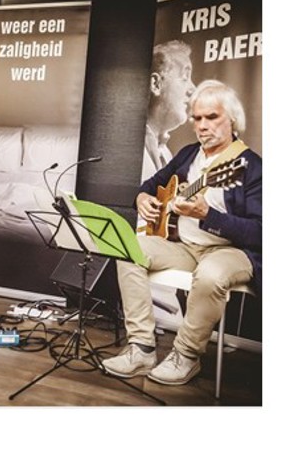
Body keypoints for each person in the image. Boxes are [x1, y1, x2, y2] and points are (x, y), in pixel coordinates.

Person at [101, 80, 261, 385]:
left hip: (230, 251)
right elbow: (151, 185)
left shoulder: (251, 167)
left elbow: (261, 232)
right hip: (185, 246)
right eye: (197, 118)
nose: (202, 126)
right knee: (128, 249)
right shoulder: (189, 154)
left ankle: (186, 355)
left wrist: (208, 215)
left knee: (212, 274)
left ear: (233, 120)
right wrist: (142, 198)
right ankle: (142, 347)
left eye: (212, 117)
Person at [142, 40, 196, 182]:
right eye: (185, 78)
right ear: (156, 84)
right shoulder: (125, 145)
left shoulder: (166, 154)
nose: (193, 89)